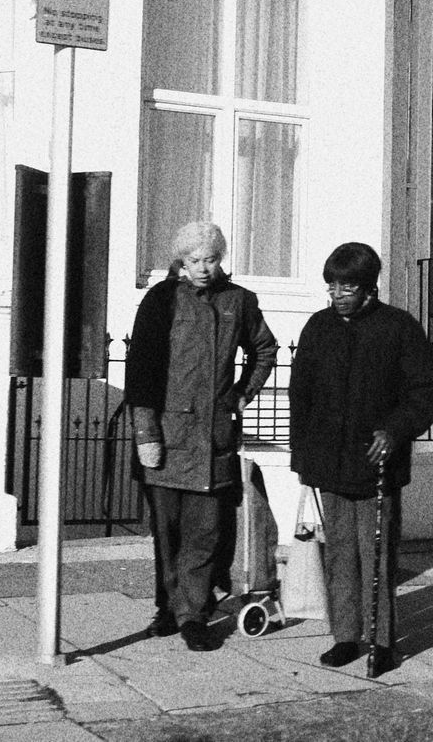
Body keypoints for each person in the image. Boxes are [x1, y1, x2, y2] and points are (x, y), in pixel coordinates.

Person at [288, 242, 433, 675]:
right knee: (339, 553)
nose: (337, 295)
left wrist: (394, 430)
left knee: (375, 553)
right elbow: (301, 395)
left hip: (377, 464)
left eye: (347, 287)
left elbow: (424, 393)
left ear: (370, 287)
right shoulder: (318, 327)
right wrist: (303, 457)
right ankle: (345, 637)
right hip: (330, 463)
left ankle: (382, 640)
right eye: (332, 286)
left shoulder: (399, 328)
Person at [126, 221, 278, 652]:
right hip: (168, 435)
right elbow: (140, 368)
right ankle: (169, 608)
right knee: (167, 530)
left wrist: (244, 394)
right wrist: (145, 431)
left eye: (211, 259)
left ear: (220, 258)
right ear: (181, 261)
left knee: (206, 530)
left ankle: (193, 614)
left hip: (214, 437)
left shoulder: (239, 301)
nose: (203, 268)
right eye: (194, 260)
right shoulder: (161, 300)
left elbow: (264, 349)